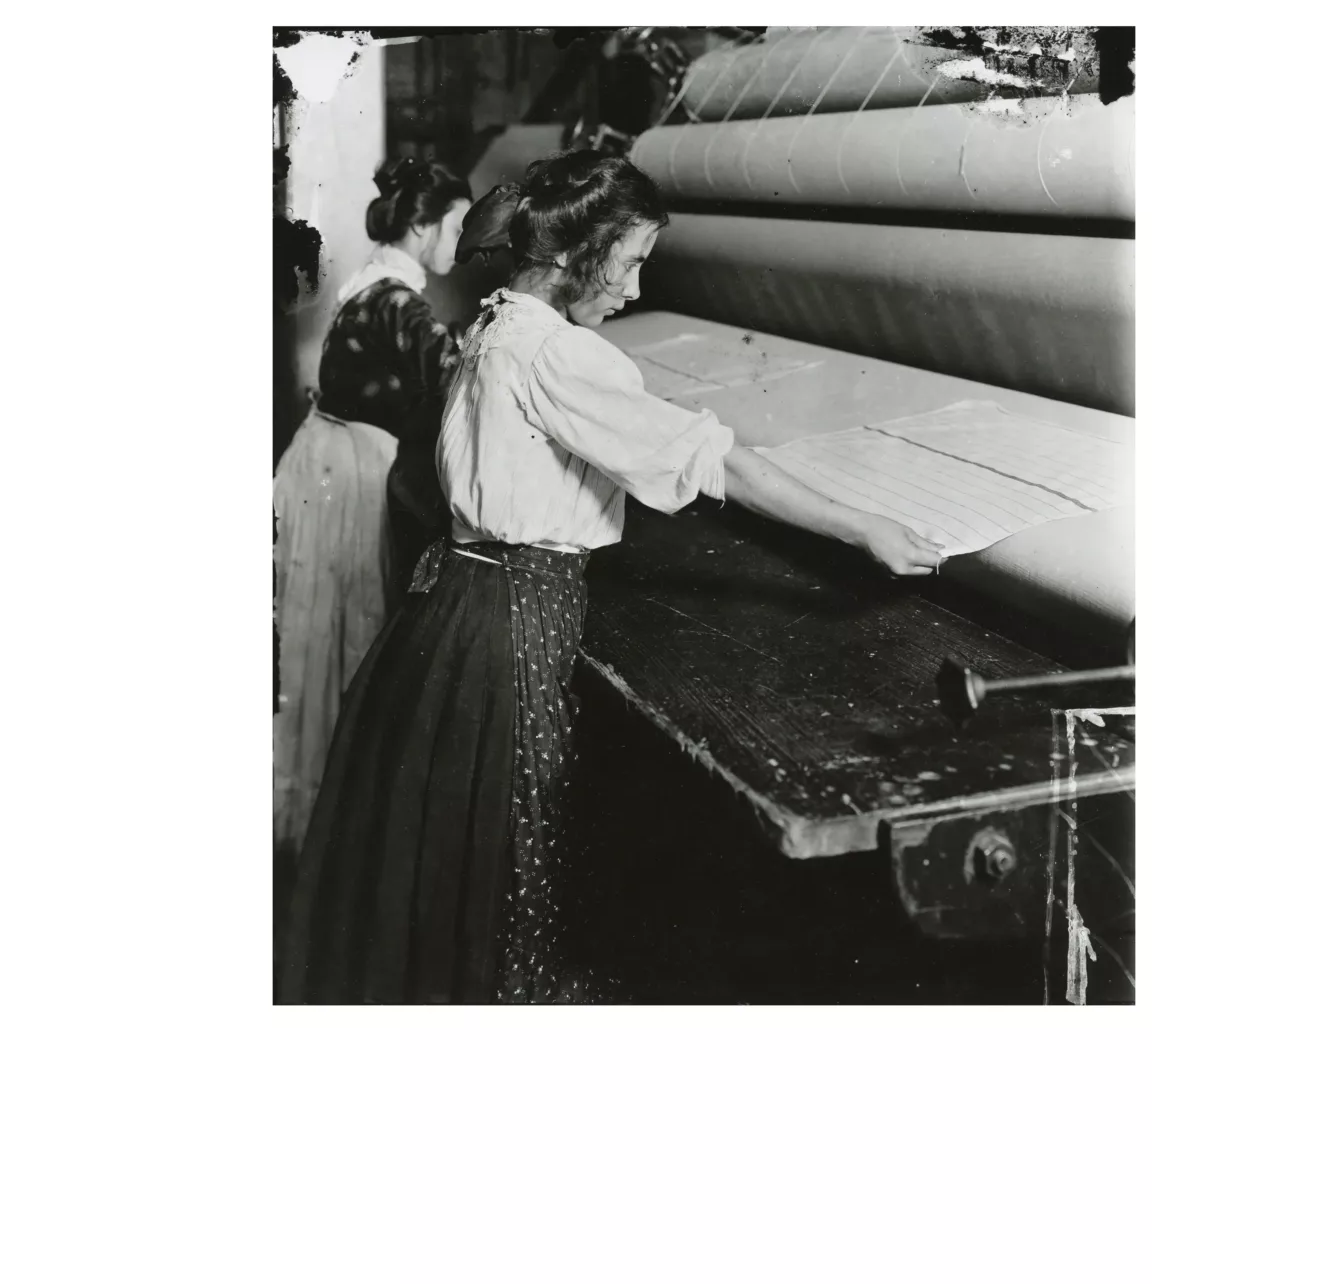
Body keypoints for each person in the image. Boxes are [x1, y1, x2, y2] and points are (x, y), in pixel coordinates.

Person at [278, 151, 944, 1005]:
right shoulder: (559, 357)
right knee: (518, 829)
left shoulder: (495, 323)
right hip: (513, 619)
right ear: (569, 256)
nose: (633, 290)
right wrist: (867, 527)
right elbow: (714, 461)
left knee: (463, 833)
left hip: (459, 602)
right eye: (629, 262)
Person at [272, 157, 470, 873]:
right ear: (421, 226)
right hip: (347, 474)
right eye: (454, 225)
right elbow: (460, 379)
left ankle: (320, 816)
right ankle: (338, 830)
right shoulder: (399, 300)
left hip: (324, 457)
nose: (463, 240)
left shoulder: (373, 279)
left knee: (319, 638)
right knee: (347, 638)